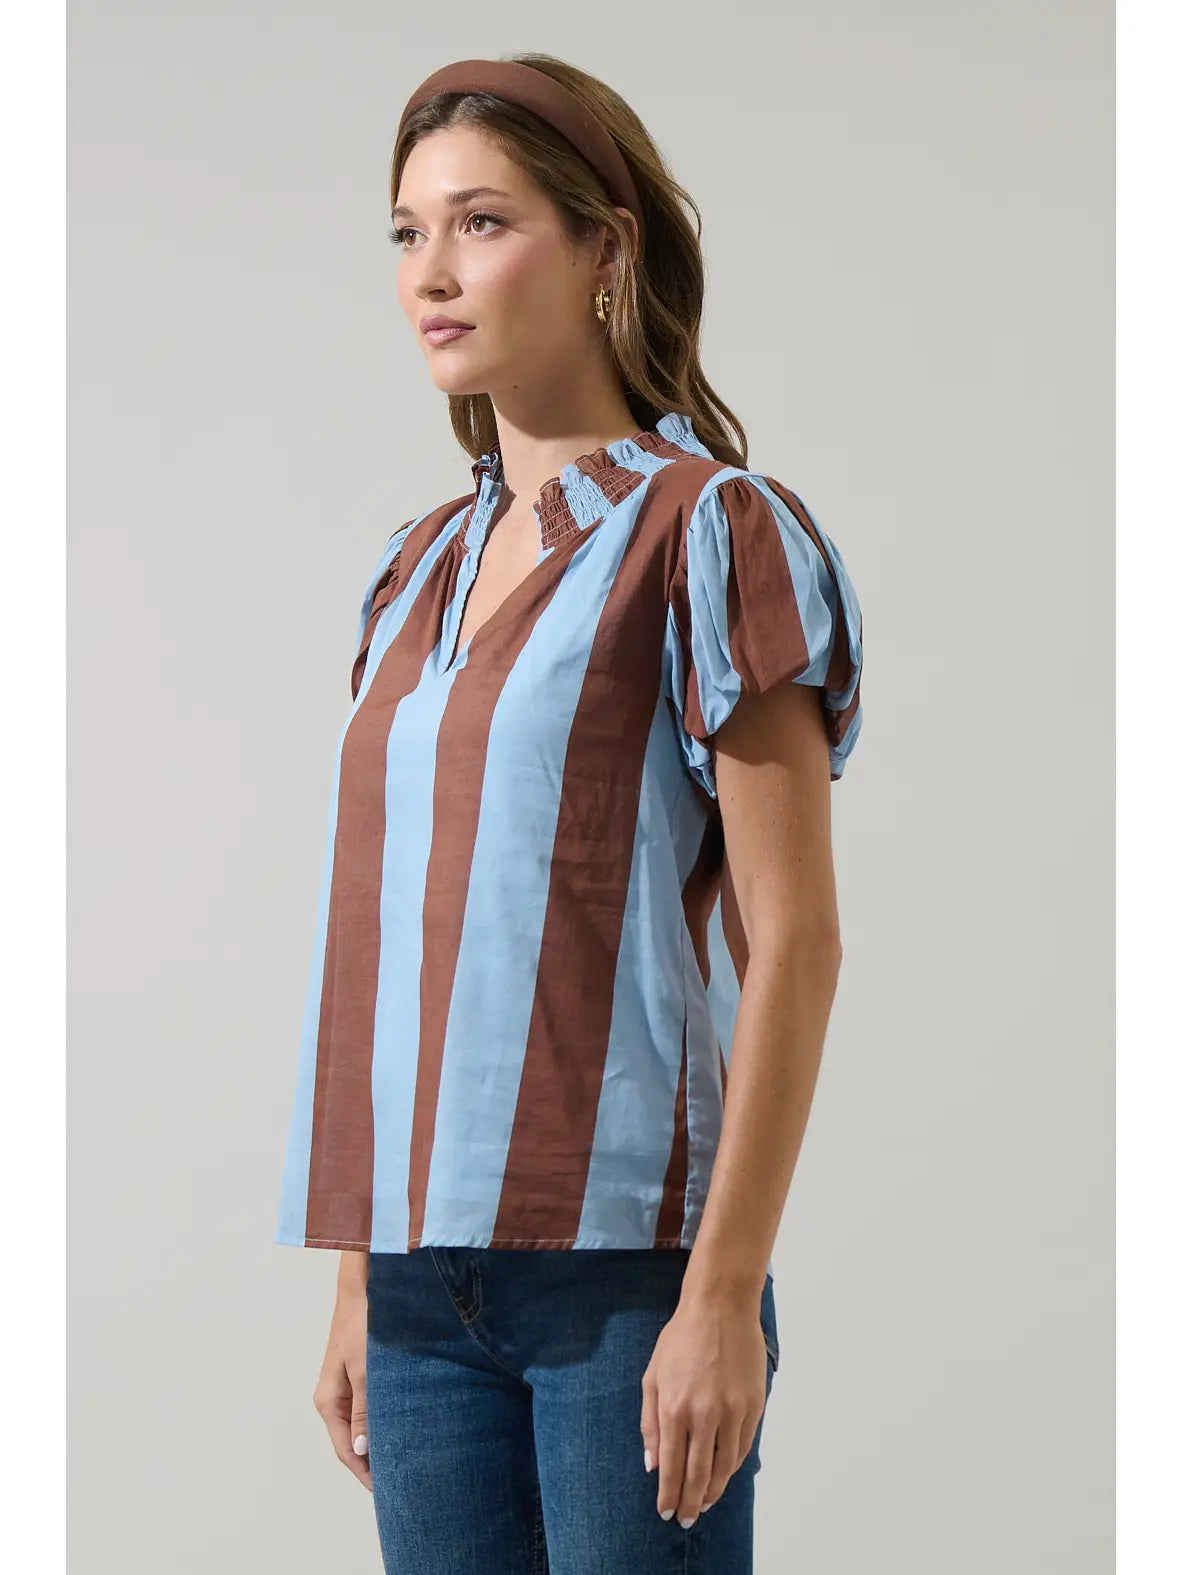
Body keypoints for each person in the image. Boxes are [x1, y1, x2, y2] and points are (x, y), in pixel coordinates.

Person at [275, 51, 865, 1575]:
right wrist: (357, 1282)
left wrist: (720, 1296)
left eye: (480, 223)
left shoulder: (709, 529)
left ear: (607, 248)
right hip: (417, 1293)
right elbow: (400, 940)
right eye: (407, 231)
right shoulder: (409, 570)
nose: (430, 273)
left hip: (624, 1281)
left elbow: (794, 942)